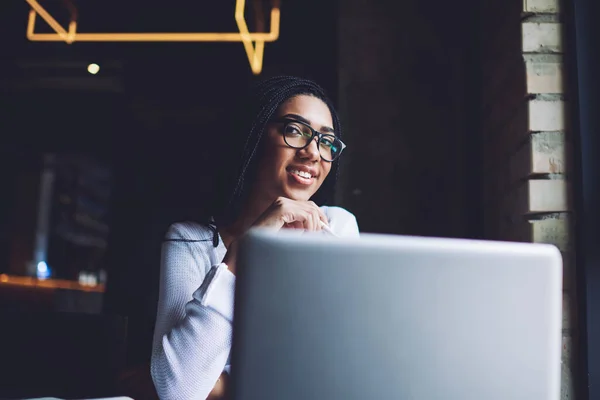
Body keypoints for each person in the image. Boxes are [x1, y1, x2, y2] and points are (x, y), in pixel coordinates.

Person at [151, 76, 360, 399]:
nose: (313, 152)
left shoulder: (337, 229)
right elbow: (179, 389)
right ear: (255, 135)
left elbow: (337, 374)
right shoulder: (190, 241)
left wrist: (221, 387)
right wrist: (242, 255)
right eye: (295, 130)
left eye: (326, 141)